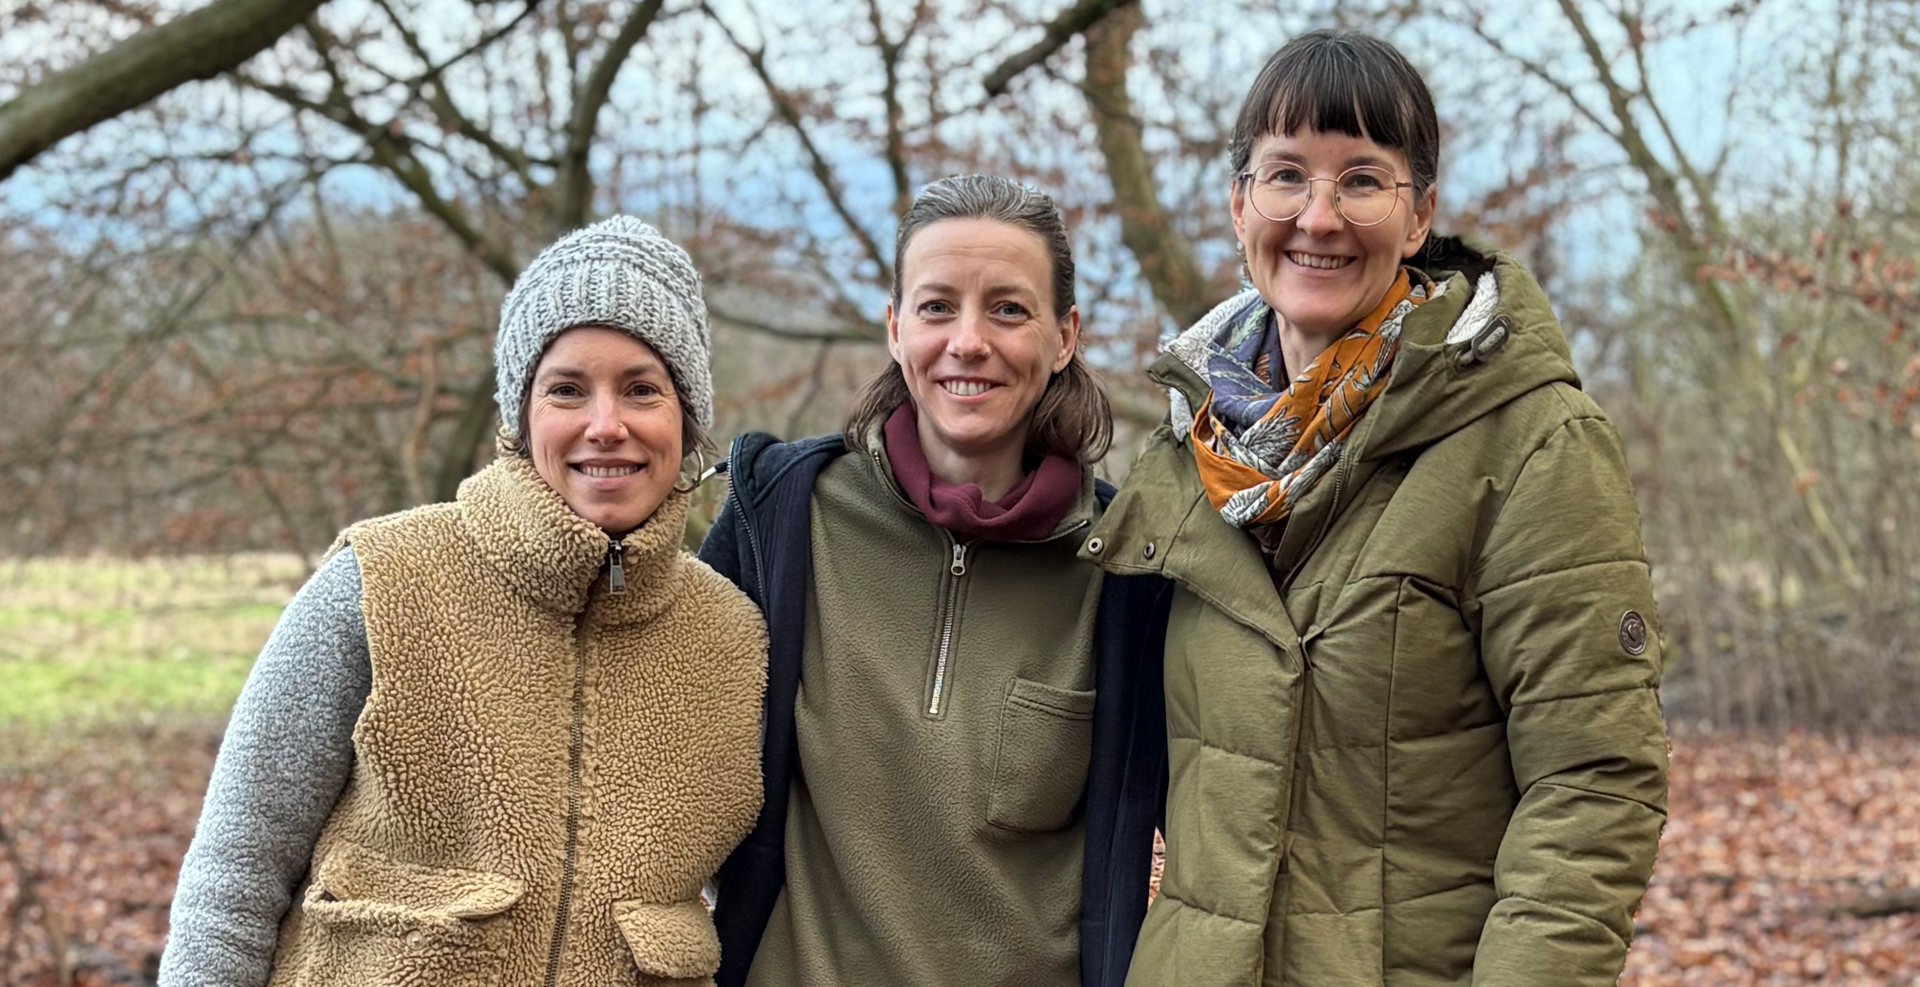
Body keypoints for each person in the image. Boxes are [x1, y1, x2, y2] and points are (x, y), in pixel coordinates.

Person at [1083, 30, 1669, 987]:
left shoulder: (1527, 441)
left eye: (1362, 178)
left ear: (1419, 213)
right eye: (1285, 177)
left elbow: (1595, 781)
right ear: (1240, 207)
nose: (1319, 215)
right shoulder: (1188, 458)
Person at [158, 216, 767, 987]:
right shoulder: (380, 581)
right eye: (567, 389)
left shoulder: (734, 638)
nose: (605, 425)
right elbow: (232, 882)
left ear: (687, 417)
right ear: (519, 415)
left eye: (642, 388)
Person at [698, 174, 1171, 987]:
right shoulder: (784, 516)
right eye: (937, 306)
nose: (968, 340)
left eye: (1009, 309)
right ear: (894, 328)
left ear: (1065, 337)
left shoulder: (1127, 567)